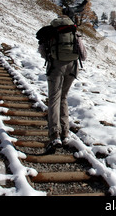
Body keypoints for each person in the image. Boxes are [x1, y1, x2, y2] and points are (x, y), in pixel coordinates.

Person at [38, 13, 86, 153]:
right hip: (72, 68)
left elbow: (42, 52)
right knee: (63, 98)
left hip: (55, 67)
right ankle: (65, 133)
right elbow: (84, 55)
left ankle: (54, 135)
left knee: (54, 99)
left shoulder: (51, 33)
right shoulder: (75, 34)